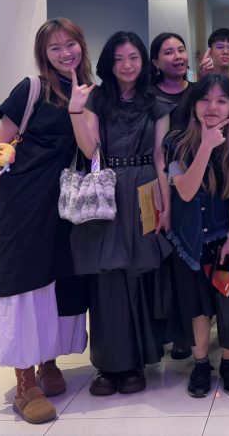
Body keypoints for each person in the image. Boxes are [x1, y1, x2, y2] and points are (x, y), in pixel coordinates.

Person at [0, 18, 92, 425]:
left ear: (81, 45)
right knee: (23, 285)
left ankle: (49, 362)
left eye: (70, 44)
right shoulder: (30, 89)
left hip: (65, 207)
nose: (65, 53)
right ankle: (24, 383)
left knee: (58, 283)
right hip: (23, 205)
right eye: (54, 48)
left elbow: (91, 148)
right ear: (43, 55)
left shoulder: (87, 91)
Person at [68, 31, 173, 397]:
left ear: (144, 61)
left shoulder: (157, 103)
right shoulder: (96, 99)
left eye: (133, 58)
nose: (127, 65)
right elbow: (91, 151)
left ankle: (136, 363)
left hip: (145, 190)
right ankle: (108, 364)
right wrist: (75, 111)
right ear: (108, 64)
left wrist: (166, 206)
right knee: (107, 278)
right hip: (107, 190)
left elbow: (161, 158)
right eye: (118, 59)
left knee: (139, 276)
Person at [164, 74, 229, 398]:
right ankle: (201, 364)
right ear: (193, 105)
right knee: (198, 305)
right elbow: (186, 191)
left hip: (227, 235)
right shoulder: (176, 141)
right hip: (189, 239)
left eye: (221, 100)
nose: (212, 107)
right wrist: (205, 145)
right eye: (204, 100)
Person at [151, 32, 194, 130]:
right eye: (169, 53)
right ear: (156, 63)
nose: (178, 56)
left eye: (181, 50)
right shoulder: (148, 96)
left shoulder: (197, 91)